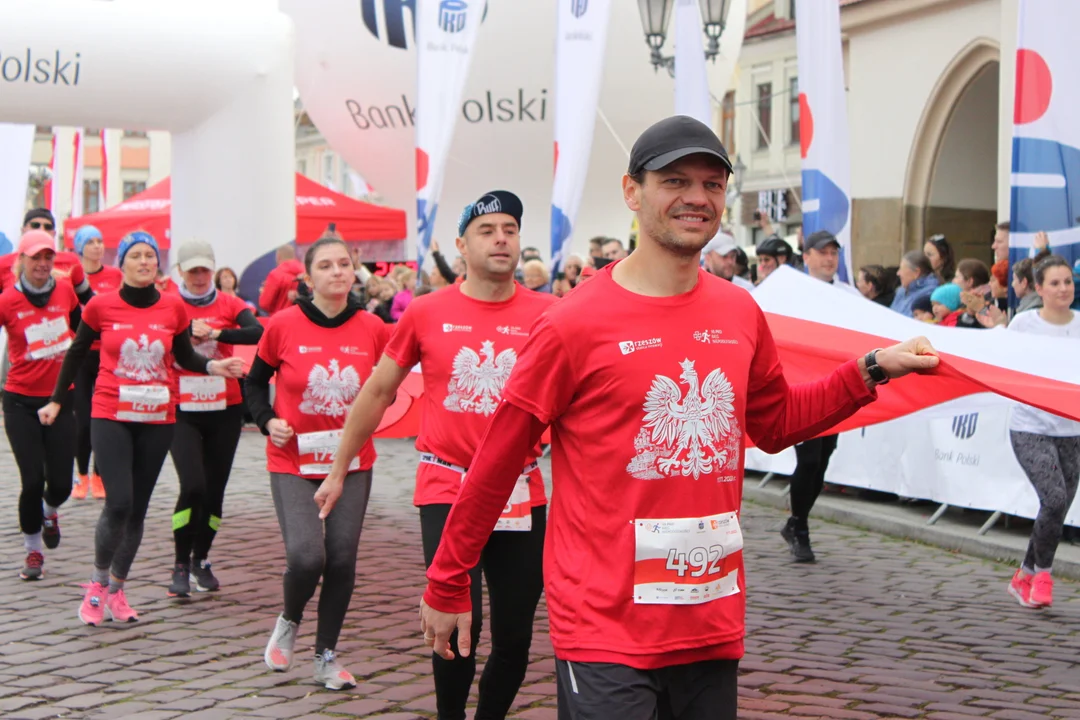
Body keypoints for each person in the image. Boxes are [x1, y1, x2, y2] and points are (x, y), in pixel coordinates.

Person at [416, 116, 939, 719]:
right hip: (604, 624)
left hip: (708, 612)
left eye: (713, 184)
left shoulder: (740, 312)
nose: (697, 197)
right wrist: (449, 577)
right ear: (632, 192)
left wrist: (870, 369)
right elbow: (499, 458)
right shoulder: (572, 323)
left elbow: (773, 424)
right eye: (676, 181)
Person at [316, 190, 555, 720]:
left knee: (515, 636)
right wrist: (338, 469)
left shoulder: (551, 314)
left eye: (510, 229)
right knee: (454, 619)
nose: (500, 239)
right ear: (461, 245)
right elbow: (377, 392)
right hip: (450, 485)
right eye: (487, 230)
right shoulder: (427, 312)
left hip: (521, 492)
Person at [39, 231, 244, 626]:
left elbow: (183, 354)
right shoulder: (100, 306)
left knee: (136, 511)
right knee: (118, 502)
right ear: (123, 264)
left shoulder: (173, 309)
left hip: (157, 417)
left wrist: (213, 366)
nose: (145, 262)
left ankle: (117, 589)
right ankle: (97, 585)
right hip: (112, 412)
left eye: (150, 255)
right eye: (136, 255)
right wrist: (56, 401)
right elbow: (77, 353)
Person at [245, 236, 388, 690]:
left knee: (342, 560)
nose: (336, 272)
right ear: (308, 279)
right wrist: (268, 421)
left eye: (344, 263)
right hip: (293, 461)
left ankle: (326, 655)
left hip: (350, 463)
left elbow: (391, 385)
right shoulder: (283, 325)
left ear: (354, 270)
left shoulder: (373, 327)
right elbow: (254, 384)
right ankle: (288, 620)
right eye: (325, 266)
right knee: (307, 557)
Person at [166, 240, 264, 597]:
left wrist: (218, 333)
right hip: (182, 407)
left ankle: (201, 559)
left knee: (215, 491)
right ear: (180, 271)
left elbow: (257, 332)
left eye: (204, 270)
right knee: (192, 485)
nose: (198, 276)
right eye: (191, 270)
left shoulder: (229, 303)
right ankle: (180, 561)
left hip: (224, 407)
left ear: (213, 269)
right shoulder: (169, 303)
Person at [0, 231, 81, 580]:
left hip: (61, 399)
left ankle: (50, 512)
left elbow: (82, 330)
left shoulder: (65, 291)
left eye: (48, 257)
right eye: (36, 258)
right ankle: (33, 551)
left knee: (61, 484)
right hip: (20, 401)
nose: (43, 264)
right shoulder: (7, 300)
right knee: (32, 479)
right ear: (22, 260)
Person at [1005, 255, 1080, 609]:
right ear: (1038, 288)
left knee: (1056, 508)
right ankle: (1044, 576)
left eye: (1068, 281)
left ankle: (1023, 574)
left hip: (1072, 429)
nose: (1063, 288)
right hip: (1030, 425)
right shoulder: (1024, 324)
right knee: (1054, 498)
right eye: (1055, 283)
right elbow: (1004, 366)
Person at [70, 226, 124, 501]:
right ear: (79, 248)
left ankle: (99, 475)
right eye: (90, 242)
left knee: (106, 416)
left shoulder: (114, 276)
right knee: (82, 420)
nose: (97, 246)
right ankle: (80, 476)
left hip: (107, 354)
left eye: (100, 241)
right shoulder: (72, 278)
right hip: (80, 355)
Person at [259, 244, 306, 315]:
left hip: (280, 319)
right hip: (302, 318)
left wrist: (264, 292)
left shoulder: (275, 275)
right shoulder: (305, 273)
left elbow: (264, 304)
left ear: (278, 257)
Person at [890, 250, 939, 317]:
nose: (898, 273)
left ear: (916, 272)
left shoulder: (930, 293)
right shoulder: (901, 291)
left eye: (901, 269)